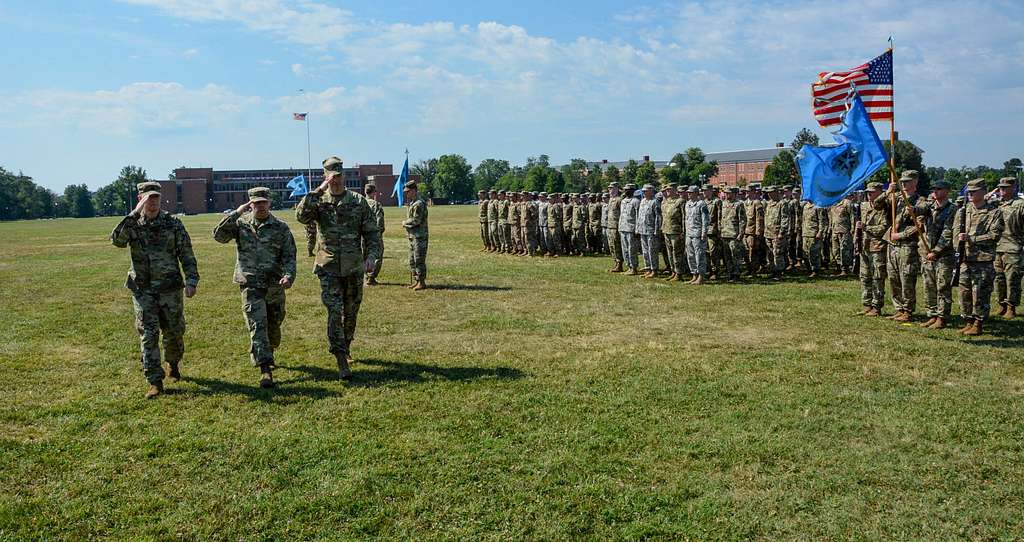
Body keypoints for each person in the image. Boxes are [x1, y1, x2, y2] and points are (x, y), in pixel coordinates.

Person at [111, 181, 199, 399]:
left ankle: (173, 362)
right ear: (140, 199)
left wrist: (192, 280)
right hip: (143, 289)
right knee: (148, 335)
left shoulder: (173, 224)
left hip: (170, 288)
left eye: (156, 198)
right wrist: (133, 214)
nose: (153, 203)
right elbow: (117, 241)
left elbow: (186, 253)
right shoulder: (132, 224)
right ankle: (155, 381)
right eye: (148, 198)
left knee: (174, 332)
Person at [296, 156, 382, 380]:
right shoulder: (319, 200)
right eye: (330, 176)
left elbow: (372, 232)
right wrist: (318, 190)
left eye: (338, 176)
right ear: (325, 176)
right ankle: (340, 357)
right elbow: (301, 216)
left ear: (344, 176)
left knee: (351, 312)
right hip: (328, 266)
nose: (335, 180)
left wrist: (371, 255)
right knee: (335, 311)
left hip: (353, 266)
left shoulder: (358, 201)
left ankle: (347, 345)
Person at [213, 187, 296, 388]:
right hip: (250, 284)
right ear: (250, 204)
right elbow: (218, 235)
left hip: (274, 284)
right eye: (255, 203)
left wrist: (288, 275)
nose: (259, 206)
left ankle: (270, 349)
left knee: (274, 326)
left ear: (269, 203)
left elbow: (289, 255)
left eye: (263, 202)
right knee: (257, 325)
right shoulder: (241, 224)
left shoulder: (280, 227)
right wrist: (237, 212)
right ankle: (265, 369)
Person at [873, 170, 930, 322]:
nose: (903, 183)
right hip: (892, 244)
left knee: (907, 277)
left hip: (907, 244)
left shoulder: (919, 200)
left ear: (915, 182)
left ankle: (908, 309)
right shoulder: (895, 198)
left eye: (907, 181)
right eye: (902, 181)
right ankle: (899, 308)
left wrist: (902, 235)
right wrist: (887, 193)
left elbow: (920, 224)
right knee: (893, 277)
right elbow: (876, 205)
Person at [954, 178, 1005, 335]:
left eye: (974, 191)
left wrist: (972, 239)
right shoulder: (963, 211)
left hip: (982, 260)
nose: (970, 194)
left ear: (983, 192)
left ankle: (978, 322)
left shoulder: (994, 213)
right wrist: (958, 247)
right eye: (968, 192)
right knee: (964, 292)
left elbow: (995, 235)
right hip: (965, 259)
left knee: (980, 294)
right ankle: (968, 320)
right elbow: (956, 233)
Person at [917, 180, 956, 329]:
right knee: (929, 285)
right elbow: (918, 210)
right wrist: (912, 209)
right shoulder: (930, 206)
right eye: (934, 189)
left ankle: (942, 317)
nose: (935, 191)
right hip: (927, 252)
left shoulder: (952, 209)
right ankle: (932, 314)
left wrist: (936, 251)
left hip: (943, 254)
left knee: (943, 286)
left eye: (938, 189)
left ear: (947, 191)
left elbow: (948, 232)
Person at [856, 183, 889, 316]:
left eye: (873, 192)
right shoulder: (863, 206)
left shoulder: (884, 207)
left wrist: (866, 228)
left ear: (880, 192)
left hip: (877, 246)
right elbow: (859, 226)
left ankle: (876, 306)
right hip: (864, 245)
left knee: (877, 277)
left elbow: (884, 227)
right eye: (868, 192)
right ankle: (867, 304)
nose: (869, 195)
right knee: (864, 276)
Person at [995, 177, 1024, 319]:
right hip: (998, 247)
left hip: (1014, 247)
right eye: (1000, 187)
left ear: (1014, 188)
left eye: (1005, 187)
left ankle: (1011, 306)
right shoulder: (997, 204)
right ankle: (1002, 304)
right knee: (998, 279)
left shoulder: (1020, 205)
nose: (1002, 190)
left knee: (1012, 279)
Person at [403, 180, 429, 289]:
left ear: (413, 191)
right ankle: (417, 280)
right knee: (412, 260)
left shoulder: (419, 204)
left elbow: (416, 220)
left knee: (419, 259)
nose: (406, 194)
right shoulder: (413, 203)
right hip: (413, 236)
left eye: (408, 192)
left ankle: (421, 282)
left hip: (419, 236)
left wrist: (405, 223)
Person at [764, 185, 792, 281]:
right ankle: (773, 271)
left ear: (776, 192)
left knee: (778, 253)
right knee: (770, 253)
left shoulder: (782, 204)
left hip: (777, 233)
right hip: (768, 233)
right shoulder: (769, 203)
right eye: (768, 192)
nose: (769, 194)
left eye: (771, 192)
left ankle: (779, 272)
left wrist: (782, 232)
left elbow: (785, 219)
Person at [719, 186, 747, 281]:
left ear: (734, 194)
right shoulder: (723, 204)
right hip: (724, 233)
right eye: (726, 193)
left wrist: (741, 233)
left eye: (729, 193)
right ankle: (730, 273)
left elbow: (742, 220)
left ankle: (736, 273)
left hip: (734, 234)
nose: (727, 195)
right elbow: (721, 218)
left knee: (735, 255)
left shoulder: (739, 204)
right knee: (727, 256)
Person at [684, 185, 710, 284]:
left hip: (698, 234)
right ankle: (694, 274)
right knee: (690, 256)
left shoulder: (701, 204)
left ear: (696, 193)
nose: (688, 194)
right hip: (689, 233)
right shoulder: (688, 204)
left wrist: (704, 233)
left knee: (699, 255)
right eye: (688, 192)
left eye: (690, 192)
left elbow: (705, 220)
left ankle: (701, 276)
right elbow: (686, 219)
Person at [660, 184, 685, 281]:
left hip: (676, 231)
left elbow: (684, 217)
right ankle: (673, 271)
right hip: (666, 230)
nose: (668, 191)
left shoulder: (680, 201)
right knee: (670, 253)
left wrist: (683, 231)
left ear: (675, 190)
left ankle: (679, 273)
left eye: (670, 189)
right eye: (667, 190)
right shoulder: (666, 202)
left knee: (677, 253)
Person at [364, 183, 385, 286]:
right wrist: (379, 233)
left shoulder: (360, 202)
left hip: (362, 236)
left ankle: (365, 276)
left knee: (364, 255)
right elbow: (380, 221)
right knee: (376, 256)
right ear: (374, 193)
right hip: (373, 235)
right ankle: (371, 277)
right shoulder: (376, 205)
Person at [829, 194, 855, 276]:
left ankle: (845, 269)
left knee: (844, 250)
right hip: (834, 231)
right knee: (835, 250)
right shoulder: (833, 203)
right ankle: (838, 267)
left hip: (844, 231)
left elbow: (853, 216)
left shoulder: (847, 203)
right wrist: (830, 228)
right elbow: (831, 217)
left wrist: (853, 229)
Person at [800, 200, 828, 278]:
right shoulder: (805, 206)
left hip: (814, 233)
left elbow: (822, 220)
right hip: (805, 233)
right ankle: (808, 269)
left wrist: (820, 232)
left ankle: (816, 270)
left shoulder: (818, 206)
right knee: (805, 253)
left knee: (814, 253)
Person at [637, 184, 660, 278]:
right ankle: (648, 268)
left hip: (651, 230)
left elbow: (658, 217)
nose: (644, 192)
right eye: (644, 191)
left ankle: (654, 270)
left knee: (652, 251)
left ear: (651, 191)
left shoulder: (655, 202)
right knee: (645, 251)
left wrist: (656, 230)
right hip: (643, 230)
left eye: (646, 191)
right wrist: (638, 228)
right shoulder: (642, 201)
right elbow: (640, 216)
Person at [743, 184, 766, 276]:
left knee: (753, 251)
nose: (747, 193)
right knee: (745, 251)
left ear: (753, 192)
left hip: (752, 231)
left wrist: (758, 232)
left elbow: (759, 219)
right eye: (746, 191)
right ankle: (749, 268)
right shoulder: (745, 203)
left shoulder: (757, 203)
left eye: (749, 191)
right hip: (745, 231)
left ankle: (753, 270)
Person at [618, 184, 640, 275]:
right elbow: (621, 215)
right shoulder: (623, 201)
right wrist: (619, 227)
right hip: (623, 228)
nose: (625, 191)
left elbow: (638, 216)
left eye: (628, 190)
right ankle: (629, 266)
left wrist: (637, 229)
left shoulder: (636, 201)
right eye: (625, 190)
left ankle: (634, 267)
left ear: (632, 191)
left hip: (631, 228)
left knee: (632, 249)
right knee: (625, 249)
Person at [703, 184, 723, 279]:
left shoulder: (717, 201)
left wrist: (719, 230)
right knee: (705, 252)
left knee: (713, 252)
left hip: (713, 231)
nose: (704, 192)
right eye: (703, 191)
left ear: (711, 191)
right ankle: (708, 270)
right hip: (704, 230)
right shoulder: (703, 202)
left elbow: (719, 217)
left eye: (706, 190)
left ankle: (715, 271)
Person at [606, 183, 624, 272]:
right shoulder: (611, 200)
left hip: (616, 226)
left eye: (612, 188)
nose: (610, 190)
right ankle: (616, 262)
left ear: (617, 189)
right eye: (609, 189)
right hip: (610, 226)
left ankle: (619, 264)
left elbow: (622, 214)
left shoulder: (619, 200)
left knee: (617, 246)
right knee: (611, 246)